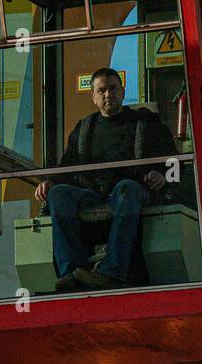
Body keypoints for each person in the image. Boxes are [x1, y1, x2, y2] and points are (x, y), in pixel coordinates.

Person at [34, 67, 178, 292]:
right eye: (101, 90)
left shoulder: (147, 123)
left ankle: (113, 272)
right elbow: (67, 168)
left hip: (133, 192)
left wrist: (162, 175)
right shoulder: (83, 129)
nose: (108, 94)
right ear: (93, 97)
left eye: (112, 88)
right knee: (58, 194)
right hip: (93, 195)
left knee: (125, 188)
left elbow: (174, 162)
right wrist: (50, 183)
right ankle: (71, 273)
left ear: (122, 91)